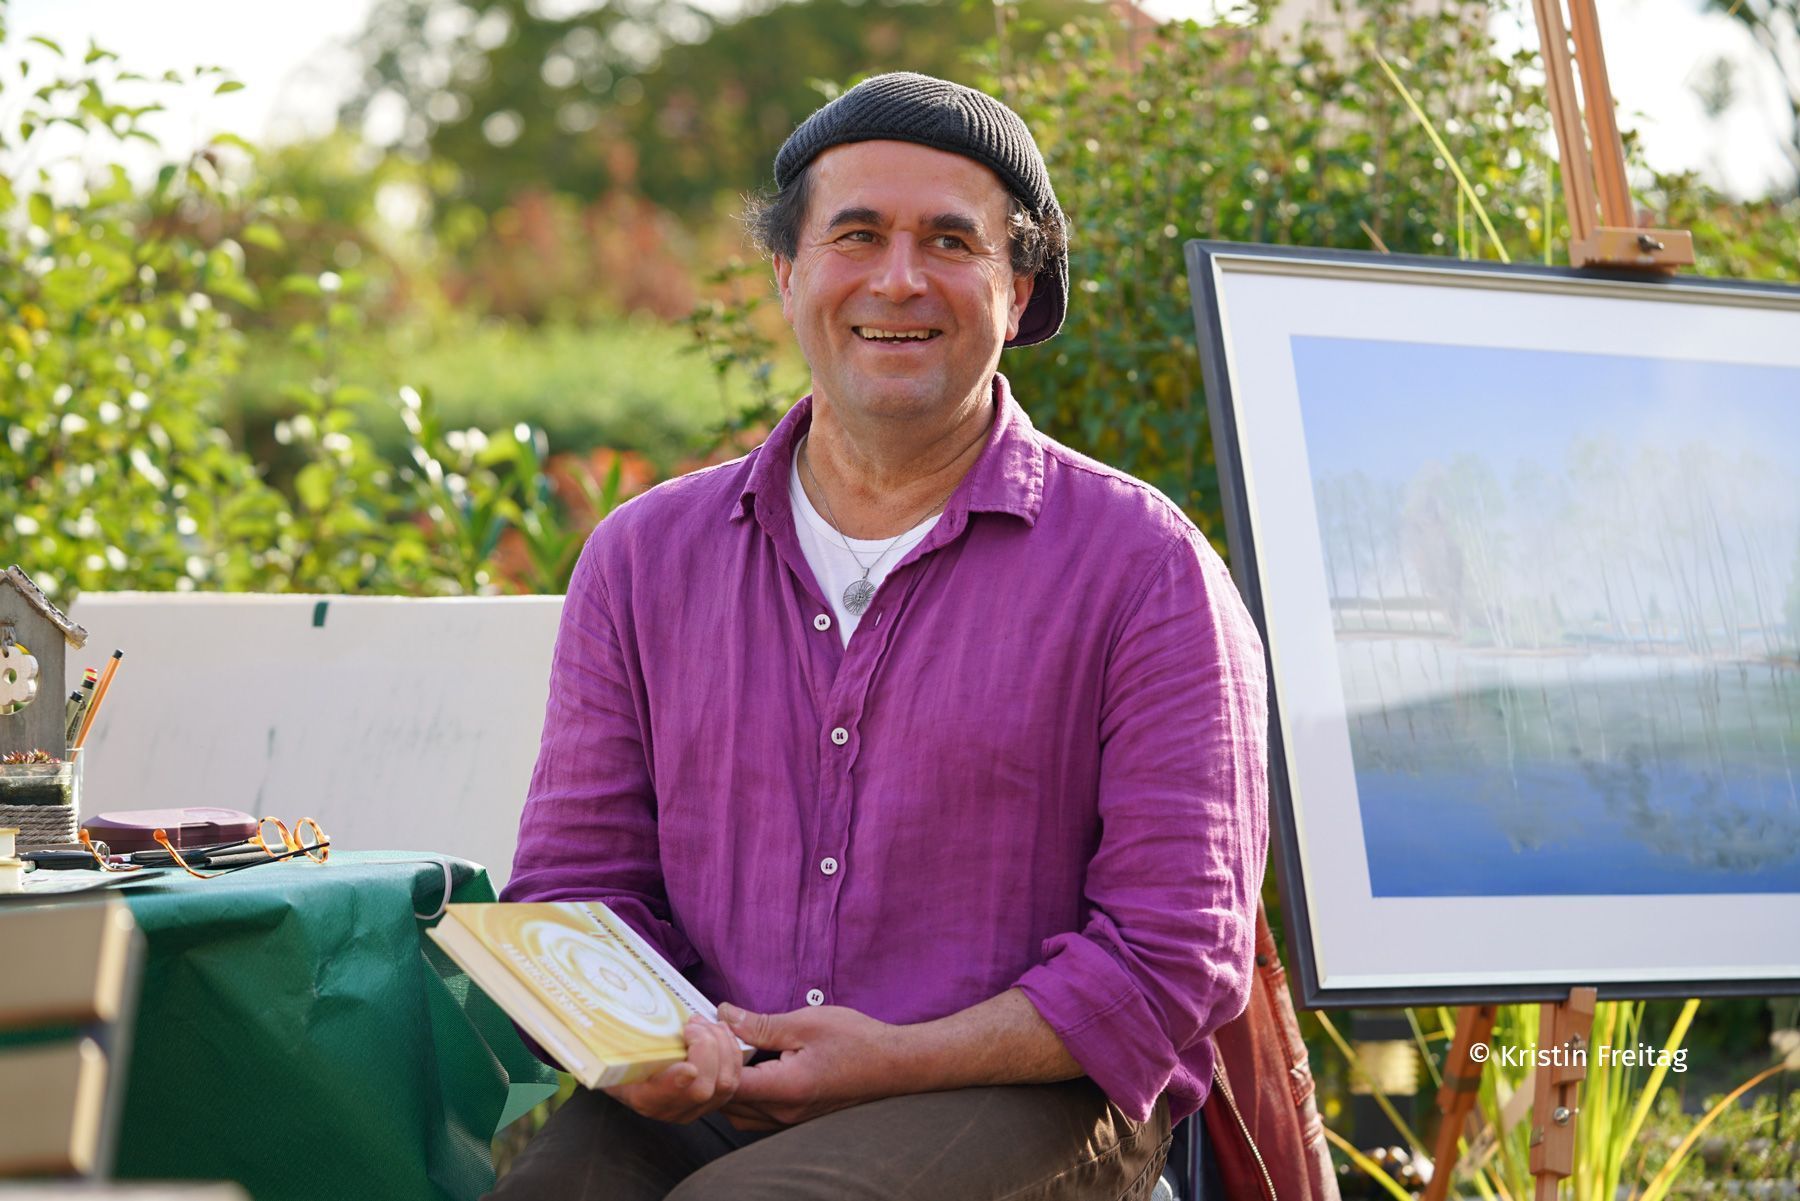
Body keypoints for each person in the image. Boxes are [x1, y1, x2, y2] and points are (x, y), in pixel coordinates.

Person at [491, 71, 1269, 1201]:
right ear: (788, 271)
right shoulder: (644, 557)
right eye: (856, 233)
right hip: (710, 1088)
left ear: (1018, 289)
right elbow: (576, 886)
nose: (898, 278)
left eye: (951, 242)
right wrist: (648, 1041)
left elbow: (1174, 957)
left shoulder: (1146, 570)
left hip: (1026, 1096)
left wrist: (897, 1058)